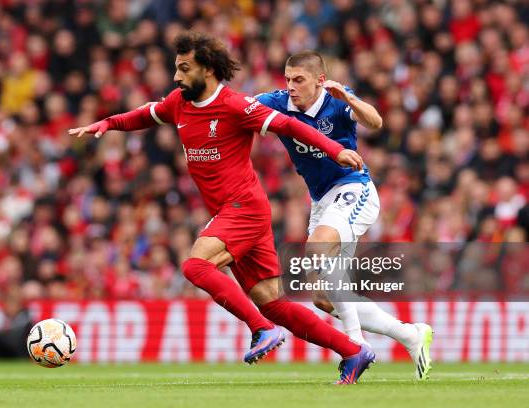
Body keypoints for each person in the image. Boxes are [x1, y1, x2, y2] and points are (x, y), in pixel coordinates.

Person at [69, 32, 374, 384]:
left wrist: (334, 149)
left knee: (196, 265)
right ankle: (353, 351)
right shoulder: (178, 102)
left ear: (208, 70)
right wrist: (109, 123)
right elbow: (146, 114)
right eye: (176, 69)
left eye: (184, 69)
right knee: (272, 301)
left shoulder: (235, 106)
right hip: (236, 212)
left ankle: (261, 329)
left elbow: (289, 125)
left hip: (243, 207)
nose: (176, 77)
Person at [256, 50, 433, 380]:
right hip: (322, 201)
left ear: (319, 81)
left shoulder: (337, 101)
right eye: (288, 79)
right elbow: (238, 107)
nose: (291, 86)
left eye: (299, 79)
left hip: (355, 188)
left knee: (317, 251)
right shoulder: (277, 102)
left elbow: (376, 122)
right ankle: (411, 335)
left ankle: (356, 345)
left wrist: (349, 98)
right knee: (324, 297)